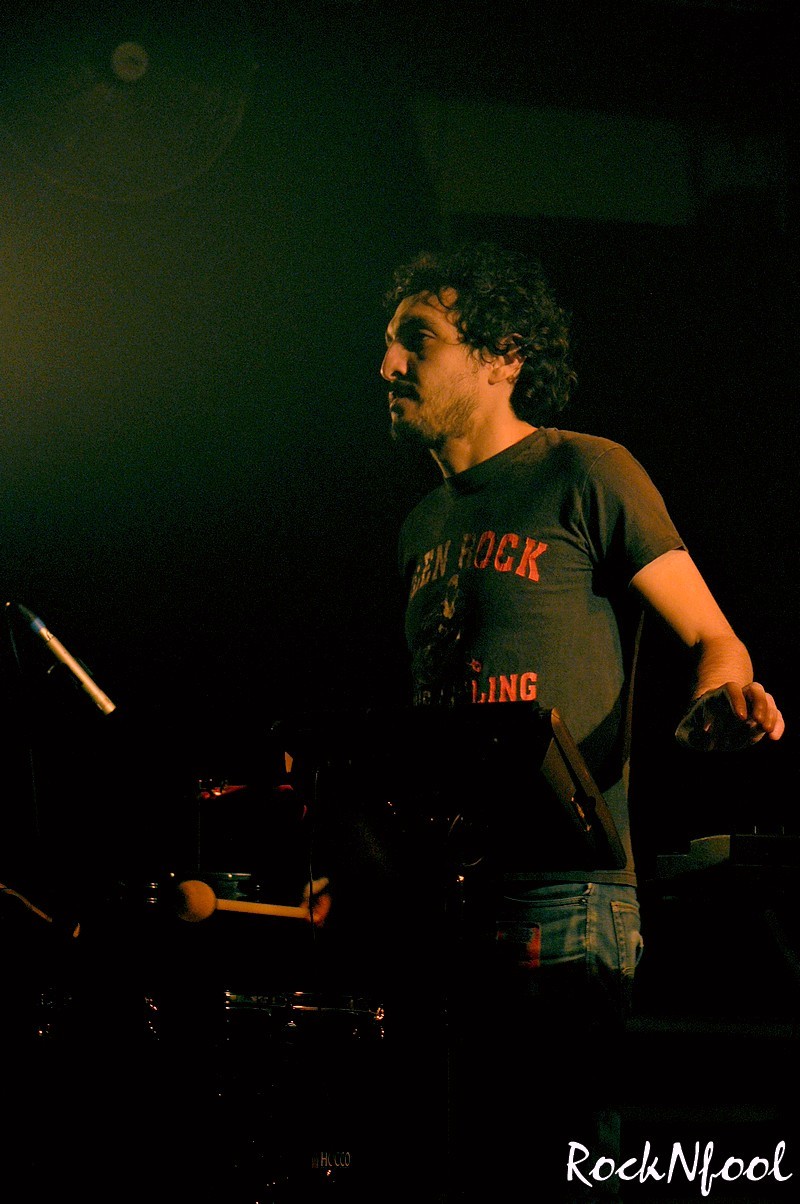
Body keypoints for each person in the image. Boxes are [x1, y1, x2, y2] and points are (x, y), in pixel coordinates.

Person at [378, 240, 784, 1202]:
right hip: (449, 900)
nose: (387, 365)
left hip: (565, 895)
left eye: (416, 340)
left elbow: (716, 638)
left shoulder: (585, 470)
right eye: (388, 344)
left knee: (553, 1165)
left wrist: (719, 695)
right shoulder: (420, 526)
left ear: (502, 355)